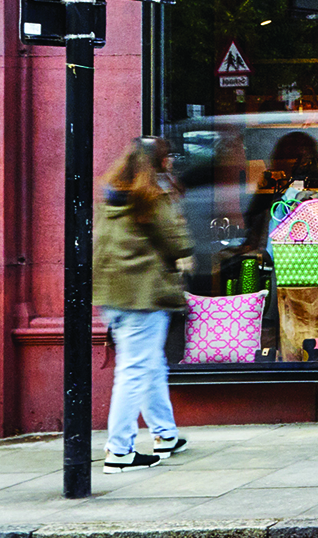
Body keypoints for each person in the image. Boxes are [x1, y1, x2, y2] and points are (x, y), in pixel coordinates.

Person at [91, 138, 190, 469]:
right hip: (143, 297)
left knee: (151, 364)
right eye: (168, 158)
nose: (171, 163)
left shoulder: (111, 197)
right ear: (159, 162)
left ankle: (165, 433)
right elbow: (176, 242)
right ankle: (119, 451)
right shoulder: (151, 198)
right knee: (134, 371)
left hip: (114, 298)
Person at [245, 129, 318, 251]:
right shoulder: (272, 192)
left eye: (293, 158)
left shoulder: (309, 196)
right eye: (284, 157)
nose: (289, 162)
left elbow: (251, 222)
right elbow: (252, 222)